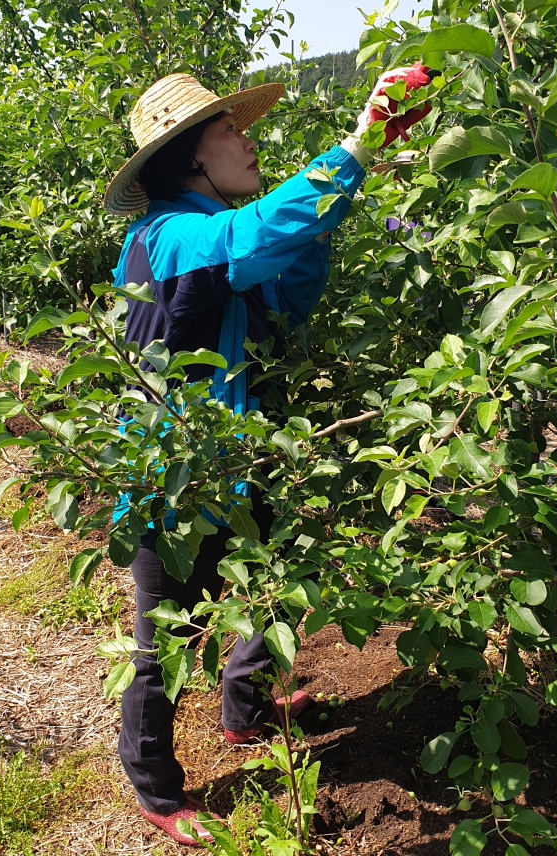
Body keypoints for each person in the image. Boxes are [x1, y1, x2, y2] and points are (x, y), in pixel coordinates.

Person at [103, 64, 434, 846]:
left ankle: (245, 713)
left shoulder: (220, 240)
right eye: (230, 130)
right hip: (170, 476)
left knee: (269, 585)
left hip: (233, 454)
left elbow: (289, 290)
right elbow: (249, 239)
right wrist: (352, 150)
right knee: (161, 642)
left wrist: (339, 199)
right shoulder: (169, 237)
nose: (247, 141)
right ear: (189, 156)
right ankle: (152, 783)